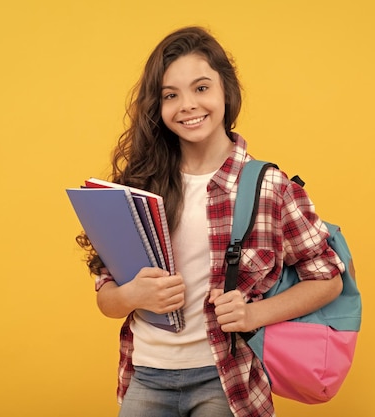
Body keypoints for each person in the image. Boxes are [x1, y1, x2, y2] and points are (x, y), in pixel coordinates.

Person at [76, 26, 345, 417]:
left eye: (201, 88)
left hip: (225, 380)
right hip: (146, 375)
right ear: (158, 106)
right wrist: (133, 296)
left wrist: (253, 315)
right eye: (171, 95)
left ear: (225, 91)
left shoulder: (268, 186)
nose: (187, 105)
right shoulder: (138, 188)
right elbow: (107, 298)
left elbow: (327, 278)